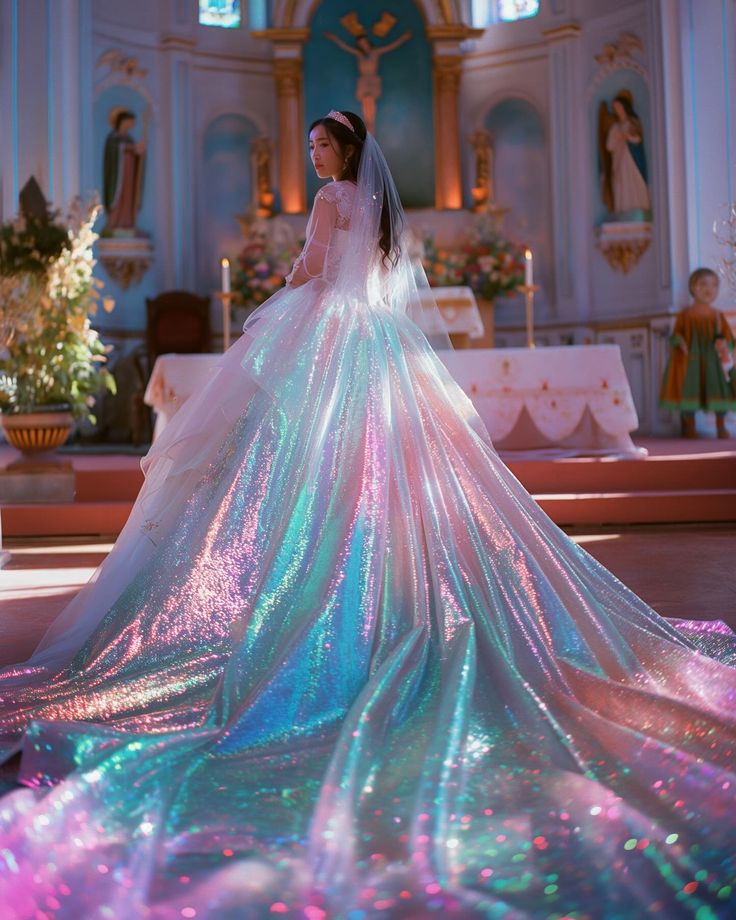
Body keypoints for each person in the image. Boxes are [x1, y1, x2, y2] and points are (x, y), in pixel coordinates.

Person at [0, 111, 735, 918]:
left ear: (342, 152)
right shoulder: (381, 206)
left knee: (301, 465)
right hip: (380, 341)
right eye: (312, 142)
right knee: (395, 466)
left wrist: (285, 286)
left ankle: (325, 579)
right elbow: (376, 271)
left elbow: (313, 271)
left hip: (325, 337)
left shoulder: (328, 199)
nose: (313, 152)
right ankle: (394, 573)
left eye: (321, 143)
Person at [660, 267, 736, 438]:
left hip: (713, 362)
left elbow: (728, 338)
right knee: (690, 389)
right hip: (691, 362)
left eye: (714, 285)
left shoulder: (717, 315)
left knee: (718, 390)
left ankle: (721, 425)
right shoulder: (686, 315)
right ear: (693, 287)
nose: (709, 289)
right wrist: (680, 342)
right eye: (703, 284)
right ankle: (690, 426)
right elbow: (676, 335)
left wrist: (725, 344)